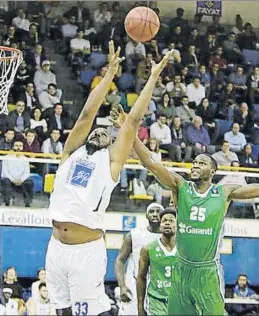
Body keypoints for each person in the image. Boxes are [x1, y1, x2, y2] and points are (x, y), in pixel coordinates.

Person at [45, 41, 172, 316]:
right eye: (95, 132)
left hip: (85, 251)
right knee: (60, 312)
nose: (97, 133)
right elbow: (87, 113)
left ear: (109, 144)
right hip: (55, 247)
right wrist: (109, 73)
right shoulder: (70, 153)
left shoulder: (110, 164)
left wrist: (152, 78)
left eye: (105, 134)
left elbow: (133, 121)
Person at [110, 108, 259, 316]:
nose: (195, 165)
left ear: (213, 171)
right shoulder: (180, 186)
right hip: (181, 271)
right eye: (194, 162)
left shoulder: (223, 192)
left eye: (202, 163)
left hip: (207, 272)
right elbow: (150, 162)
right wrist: (128, 130)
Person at [114, 203, 164, 315]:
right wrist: (122, 286)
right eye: (151, 211)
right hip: (134, 287)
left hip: (159, 288)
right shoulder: (134, 235)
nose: (155, 214)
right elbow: (120, 260)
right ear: (146, 215)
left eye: (158, 211)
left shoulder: (169, 237)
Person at [137, 209, 177, 316]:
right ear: (160, 226)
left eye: (171, 220)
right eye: (164, 221)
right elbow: (141, 277)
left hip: (179, 302)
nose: (167, 223)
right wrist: (140, 308)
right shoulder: (148, 249)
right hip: (157, 301)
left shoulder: (185, 249)